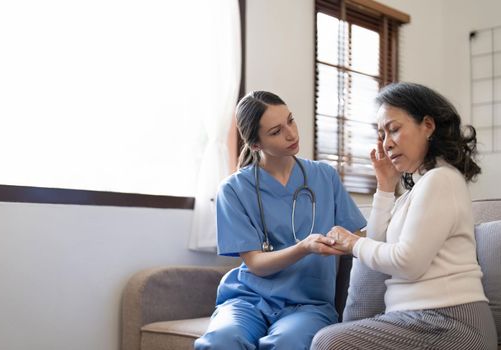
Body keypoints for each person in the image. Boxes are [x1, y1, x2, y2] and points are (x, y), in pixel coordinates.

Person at [311, 82, 498, 350]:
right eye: (381, 135)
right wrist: (385, 186)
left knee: (329, 341)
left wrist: (353, 243)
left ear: (428, 126)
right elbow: (377, 244)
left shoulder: (441, 180)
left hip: (451, 321)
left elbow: (408, 262)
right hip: (420, 319)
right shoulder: (417, 190)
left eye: (394, 129)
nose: (387, 144)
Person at [194, 91, 366, 350]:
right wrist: (304, 247)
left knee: (287, 343)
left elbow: (356, 241)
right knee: (222, 341)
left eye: (291, 121)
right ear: (255, 144)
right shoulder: (233, 189)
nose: (291, 134)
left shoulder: (325, 177)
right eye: (276, 131)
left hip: (308, 305)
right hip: (248, 299)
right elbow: (256, 264)